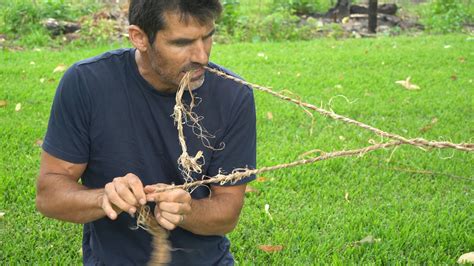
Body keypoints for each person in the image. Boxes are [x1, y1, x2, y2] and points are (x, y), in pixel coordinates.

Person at [35, 0, 256, 265]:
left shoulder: (233, 95)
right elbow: (49, 195)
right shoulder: (87, 83)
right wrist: (105, 197)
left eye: (207, 37)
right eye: (181, 43)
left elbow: (228, 213)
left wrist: (188, 210)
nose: (202, 57)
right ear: (139, 37)